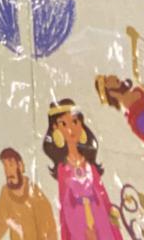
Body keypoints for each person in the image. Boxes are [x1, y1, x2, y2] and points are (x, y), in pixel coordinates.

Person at [43, 98, 121, 240]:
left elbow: (104, 199)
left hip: (102, 221)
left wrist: (113, 219)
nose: (71, 128)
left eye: (75, 122)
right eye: (63, 124)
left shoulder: (90, 166)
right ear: (55, 128)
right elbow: (65, 208)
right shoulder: (63, 169)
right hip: (78, 224)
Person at [95, 74, 144, 164]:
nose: (112, 76)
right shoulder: (140, 120)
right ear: (111, 93)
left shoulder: (141, 93)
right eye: (106, 80)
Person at [0, 146, 57, 240]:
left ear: (20, 166)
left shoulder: (35, 193)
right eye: (5, 166)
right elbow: (0, 224)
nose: (8, 171)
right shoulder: (5, 192)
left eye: (11, 165)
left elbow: (48, 230)